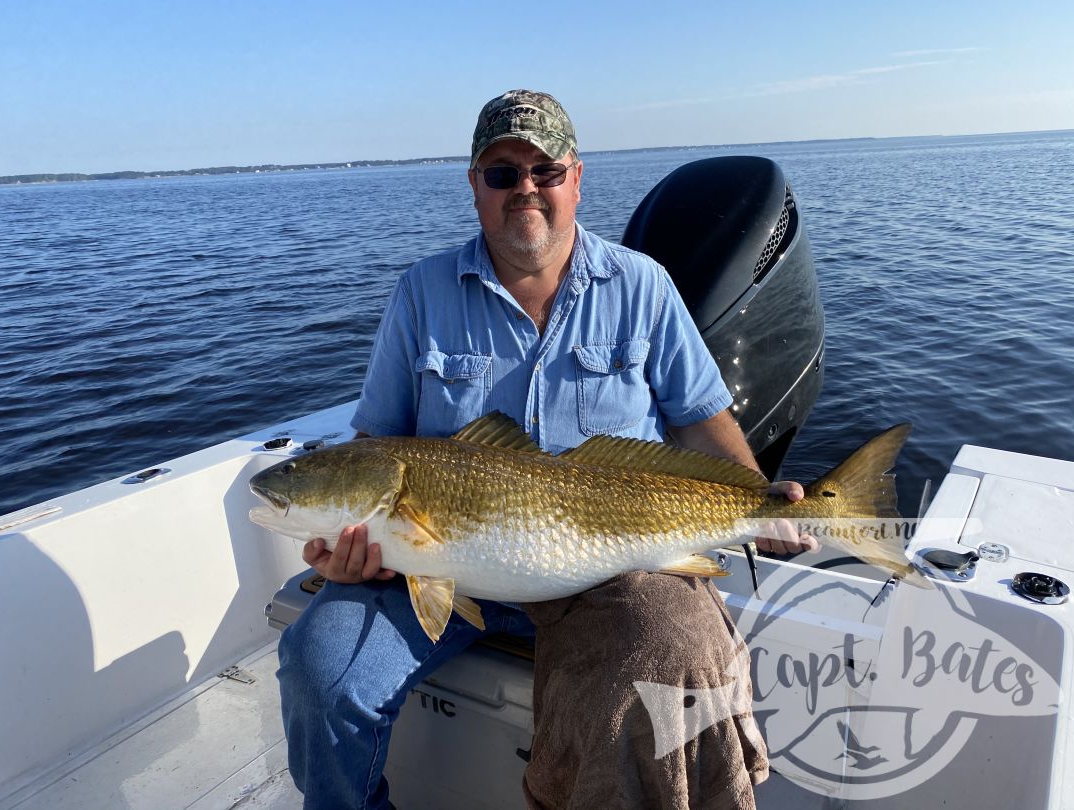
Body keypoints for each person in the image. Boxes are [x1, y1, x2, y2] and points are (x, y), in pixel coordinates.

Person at [277, 89, 816, 810]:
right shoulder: (422, 291)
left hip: (601, 558)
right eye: (501, 173)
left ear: (575, 178)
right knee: (319, 667)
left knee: (674, 659)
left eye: (544, 170)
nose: (523, 188)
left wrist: (755, 499)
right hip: (429, 566)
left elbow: (698, 417)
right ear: (475, 185)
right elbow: (376, 441)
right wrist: (347, 543)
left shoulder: (642, 284)